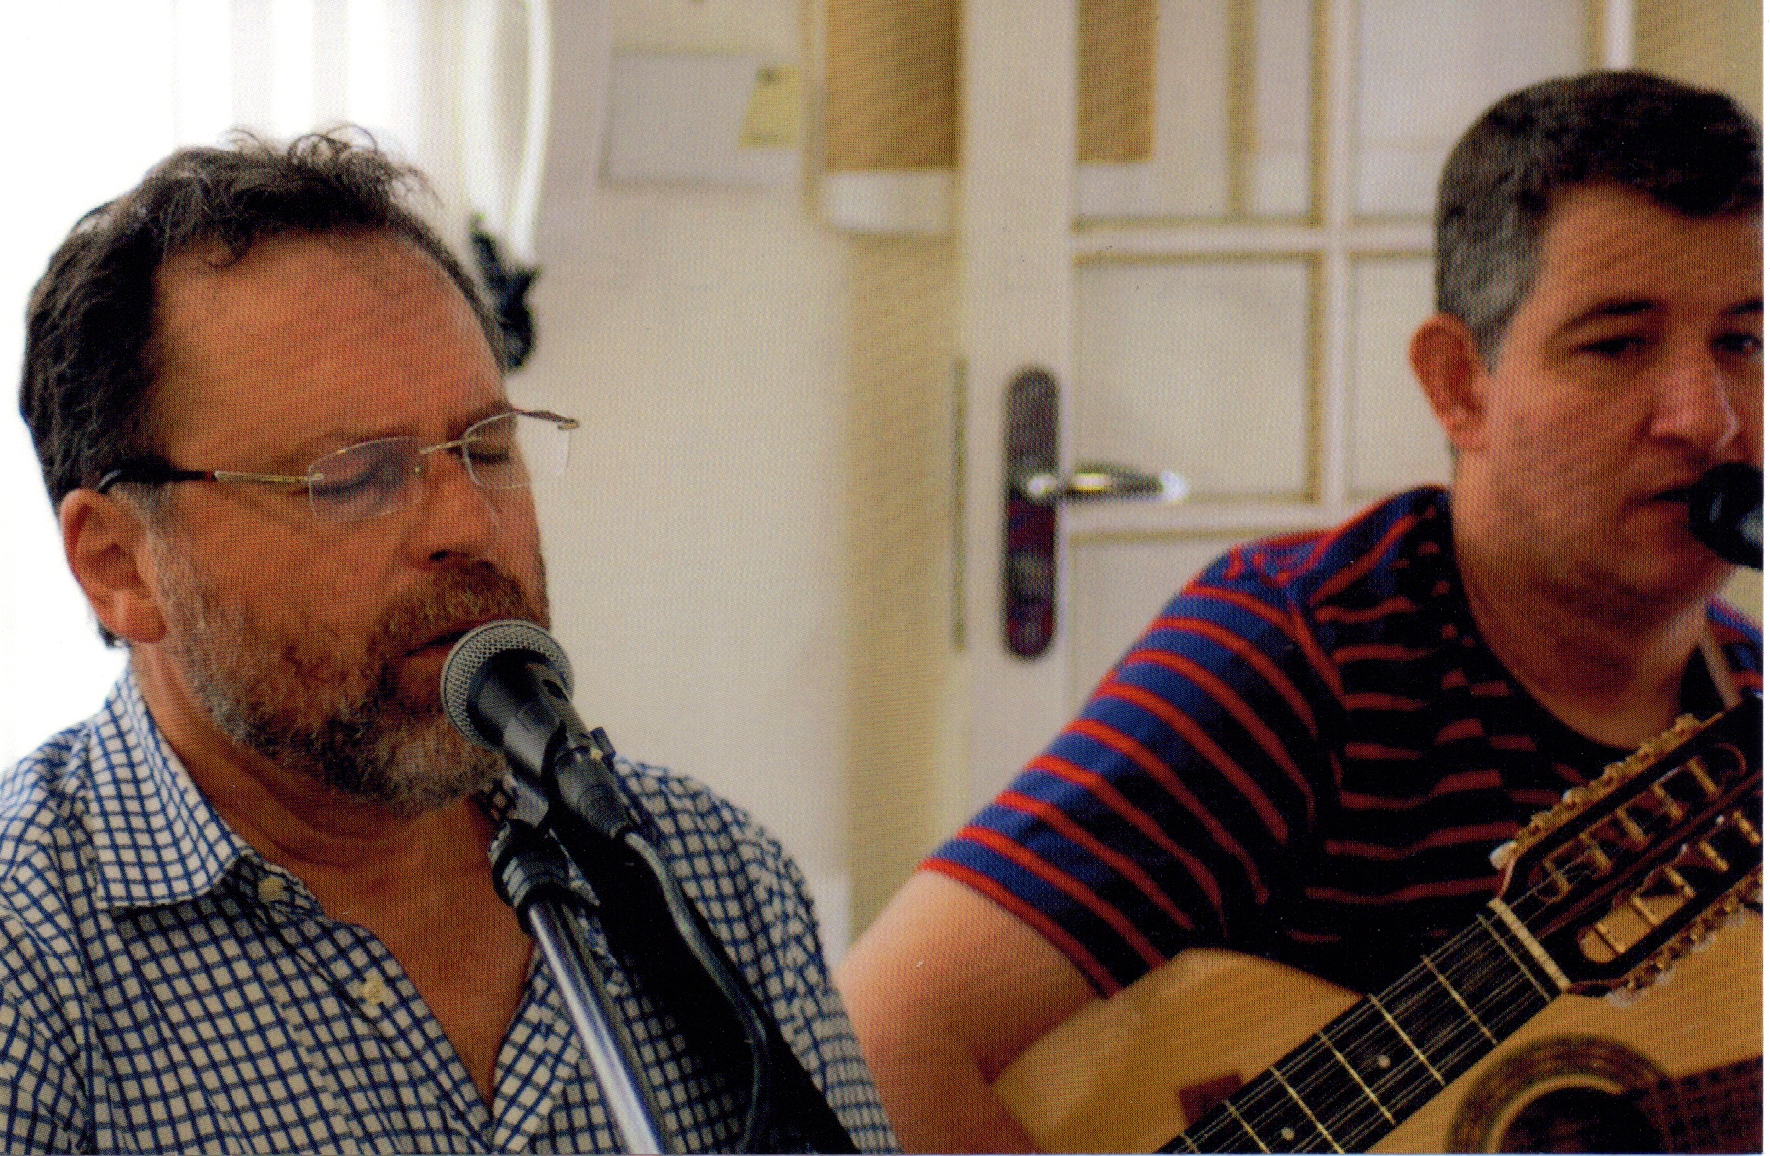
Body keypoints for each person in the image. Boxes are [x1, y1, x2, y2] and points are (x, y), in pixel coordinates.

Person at [837, 69, 1763, 1153]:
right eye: (1616, 345)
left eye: (1744, 342)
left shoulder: (1744, 692)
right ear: (1458, 383)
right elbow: (877, 1041)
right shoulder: (1299, 657)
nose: (1706, 418)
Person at [5, 132, 894, 1154]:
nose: (469, 525)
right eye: (354, 476)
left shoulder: (710, 878)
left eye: (488, 447)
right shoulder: (30, 970)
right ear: (120, 564)